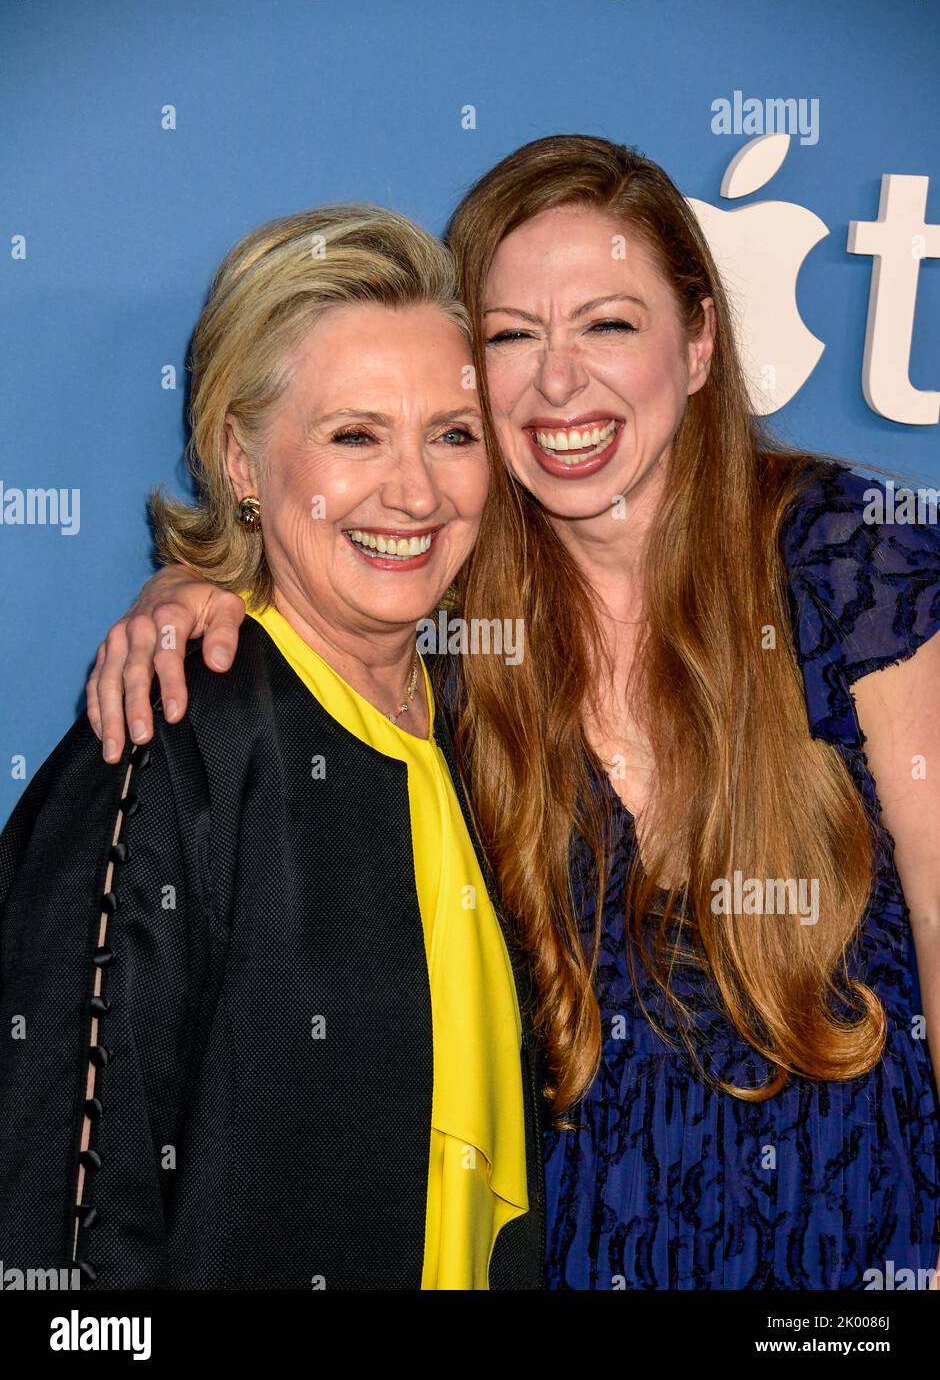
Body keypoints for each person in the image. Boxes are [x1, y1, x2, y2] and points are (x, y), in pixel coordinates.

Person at [86, 136, 940, 1290]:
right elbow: (307, 569)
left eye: (607, 325)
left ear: (695, 344)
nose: (557, 385)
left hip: (865, 1265)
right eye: (509, 336)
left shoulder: (849, 558)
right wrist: (189, 589)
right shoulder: (444, 614)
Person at [0, 203, 546, 1291]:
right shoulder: (166, 731)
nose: (415, 492)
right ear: (239, 458)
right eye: (354, 434)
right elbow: (57, 1230)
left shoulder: (485, 734)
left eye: (452, 433)